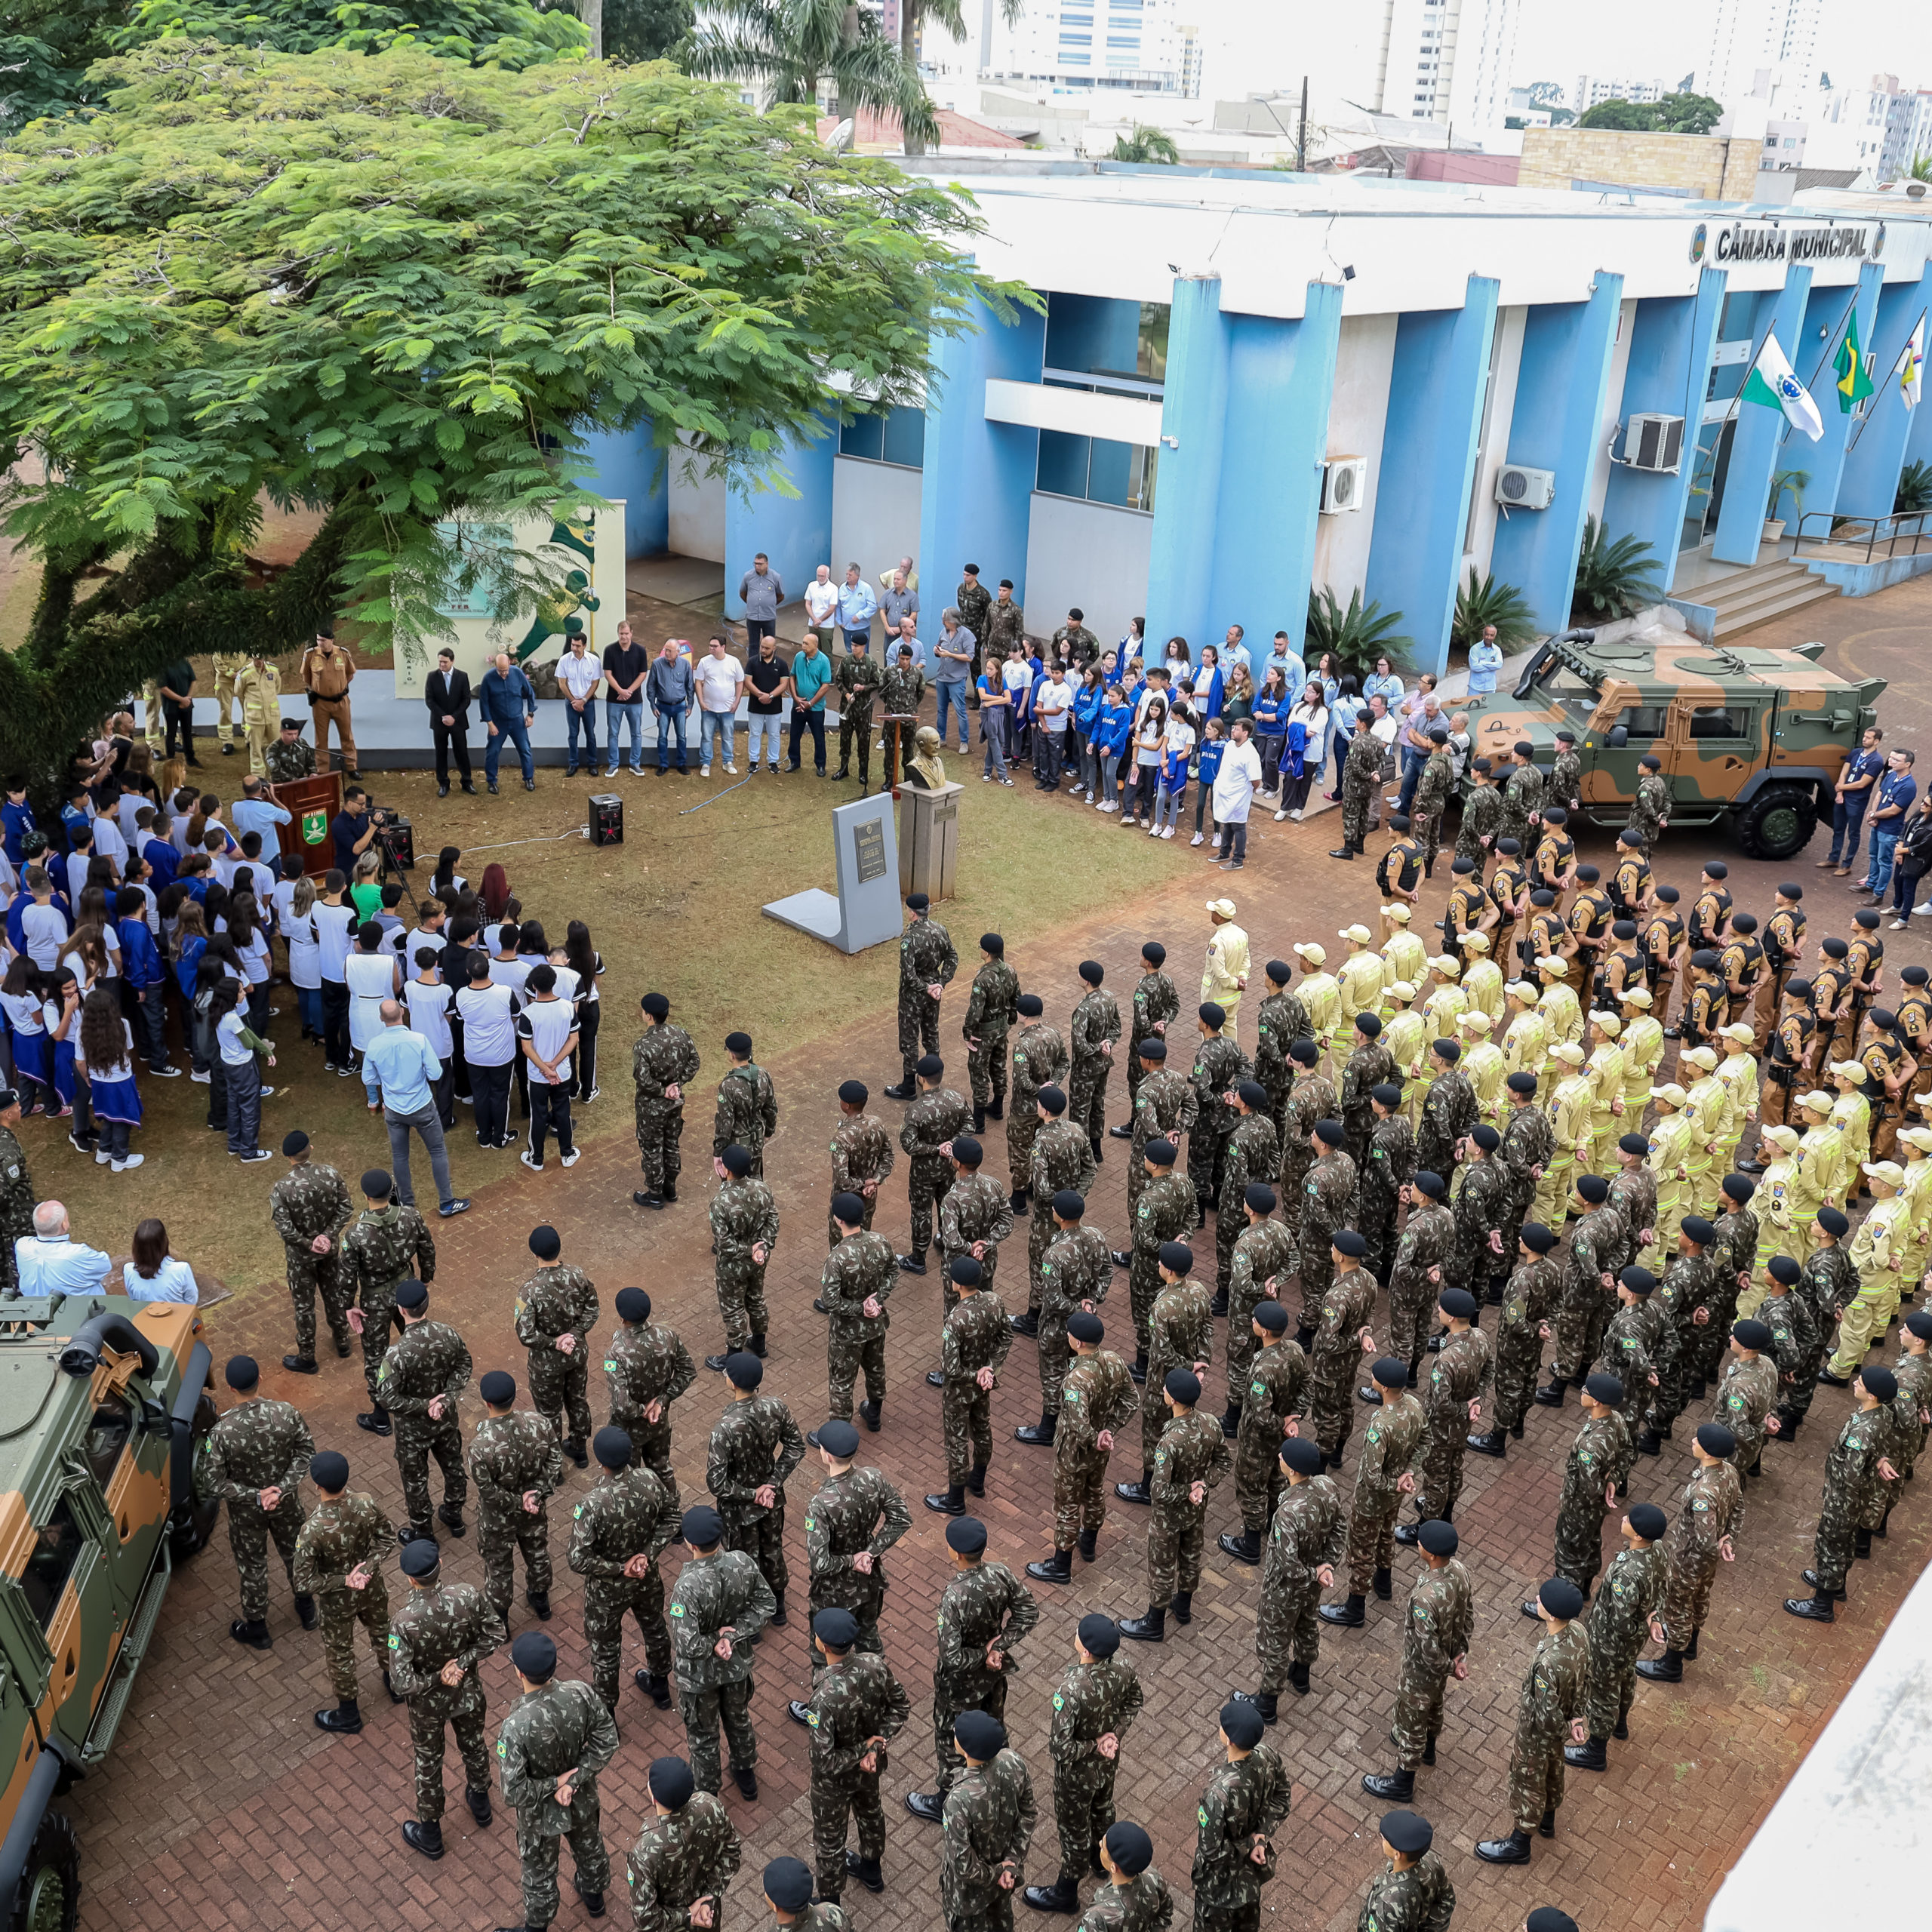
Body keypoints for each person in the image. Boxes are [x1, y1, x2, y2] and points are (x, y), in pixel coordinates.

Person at [906, 1515, 1040, 1823]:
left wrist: (983, 1652)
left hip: (959, 1688)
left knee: (951, 1741)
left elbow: (951, 1656)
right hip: (993, 1678)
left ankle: (946, 1800)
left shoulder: (954, 1597)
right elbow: (1028, 1612)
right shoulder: (1000, 1573)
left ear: (956, 1553)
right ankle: (1001, 1787)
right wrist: (1000, 1647)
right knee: (994, 1729)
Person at [496, 1630, 620, 1932]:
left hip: (540, 1816)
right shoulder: (580, 1693)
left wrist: (554, 1785)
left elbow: (513, 1792)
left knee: (539, 1872)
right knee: (590, 1848)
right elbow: (608, 1739)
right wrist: (575, 1779)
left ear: (519, 1672)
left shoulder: (515, 1726)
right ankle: (594, 1899)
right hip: (581, 1797)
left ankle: (536, 1927)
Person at [197, 1353, 316, 1649]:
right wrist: (281, 1489)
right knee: (296, 1554)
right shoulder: (286, 1413)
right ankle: (308, 1609)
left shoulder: (222, 1433)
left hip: (247, 1513)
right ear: (260, 1379)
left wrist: (255, 1496)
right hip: (286, 1504)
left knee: (252, 1566)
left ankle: (258, 1628)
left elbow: (211, 1482)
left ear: (231, 1388)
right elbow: (306, 1453)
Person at [1474, 1577, 1590, 1864]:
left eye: (1541, 1601)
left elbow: (1546, 1714)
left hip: (1537, 1732)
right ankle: (1547, 1821)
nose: (1536, 1601)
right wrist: (1575, 1719)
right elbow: (1584, 1679)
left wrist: (1563, 1727)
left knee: (1527, 1779)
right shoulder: (1579, 1633)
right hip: (1563, 1719)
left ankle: (1520, 1842)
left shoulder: (1547, 1662)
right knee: (1554, 1769)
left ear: (1551, 1614)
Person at [804, 1606, 912, 1903]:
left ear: (822, 1645)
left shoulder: (823, 1698)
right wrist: (875, 1748)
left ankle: (830, 1904)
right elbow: (901, 1706)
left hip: (834, 1784)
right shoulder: (874, 1664)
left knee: (829, 1842)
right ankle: (872, 1870)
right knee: (870, 1812)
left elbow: (823, 1760)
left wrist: (862, 1750)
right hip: (870, 1767)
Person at [668, 1503, 777, 1799]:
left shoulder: (686, 1588)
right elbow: (767, 1604)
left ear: (690, 1544)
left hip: (699, 1678)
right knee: (739, 1719)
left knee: (703, 1736)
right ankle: (745, 1774)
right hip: (736, 1666)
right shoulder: (741, 1562)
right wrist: (735, 1634)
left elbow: (688, 1644)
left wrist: (715, 1639)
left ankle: (709, 1795)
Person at [293, 1451, 396, 1735]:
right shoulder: (365, 1503)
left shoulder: (311, 1530)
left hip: (337, 1601)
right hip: (371, 1587)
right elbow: (387, 1538)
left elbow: (303, 1581)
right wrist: (367, 1569)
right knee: (384, 1632)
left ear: (317, 1486)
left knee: (340, 1652)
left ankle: (349, 1714)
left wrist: (344, 1580)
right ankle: (396, 1684)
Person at [468, 1369, 565, 1625]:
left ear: (487, 1403)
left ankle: (501, 1620)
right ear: (514, 1396)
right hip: (535, 1508)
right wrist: (537, 1495)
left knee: (499, 1568)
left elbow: (487, 1491)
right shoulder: (540, 1423)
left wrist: (515, 1502)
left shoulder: (480, 1446)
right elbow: (556, 1462)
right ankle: (541, 1601)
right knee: (538, 1554)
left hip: (498, 1519)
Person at [1191, 1700, 1290, 1932]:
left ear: (1229, 1739)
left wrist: (1249, 1844)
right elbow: (1282, 1797)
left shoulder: (1217, 1794)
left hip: (1219, 1886)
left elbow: (1212, 1850)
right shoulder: (1267, 1755)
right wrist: (1260, 1838)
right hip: (1252, 1873)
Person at [940, 1711, 1037, 1932]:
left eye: (957, 1734)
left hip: (968, 1900)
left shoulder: (958, 1801)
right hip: (1005, 1882)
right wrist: (1011, 1863)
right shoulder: (1014, 1762)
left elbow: (963, 1866)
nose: (954, 1733)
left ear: (965, 1750)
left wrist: (996, 1873)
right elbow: (1028, 1815)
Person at [632, 990, 700, 1209]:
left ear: (648, 1016)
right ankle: (670, 1188)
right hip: (675, 1104)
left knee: (652, 1148)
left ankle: (654, 1194)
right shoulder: (681, 1034)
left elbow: (643, 1080)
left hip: (651, 1109)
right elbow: (694, 1061)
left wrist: (663, 1091)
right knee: (671, 1144)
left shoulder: (643, 1045)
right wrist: (677, 1085)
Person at [516, 964, 580, 1173]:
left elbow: (526, 1047)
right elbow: (574, 1039)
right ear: (554, 983)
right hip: (562, 1073)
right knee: (563, 1111)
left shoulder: (528, 1013)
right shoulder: (567, 1007)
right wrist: (555, 1064)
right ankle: (567, 1153)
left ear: (534, 986)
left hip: (538, 1076)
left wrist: (545, 1068)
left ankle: (536, 1159)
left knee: (539, 1115)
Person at [1826, 723, 1885, 875]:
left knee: (1853, 833)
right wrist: (1839, 793)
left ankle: (1847, 865)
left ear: (1876, 741)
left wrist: (1841, 788)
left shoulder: (1876, 761)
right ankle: (1833, 858)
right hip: (1843, 797)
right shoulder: (1856, 753)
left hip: (1857, 801)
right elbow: (1844, 772)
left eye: (1868, 738)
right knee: (1838, 828)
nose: (1864, 739)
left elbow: (1862, 783)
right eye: (1864, 736)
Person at [480, 651, 539, 793]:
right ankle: (492, 781)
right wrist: (489, 723)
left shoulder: (518, 674)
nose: (503, 674)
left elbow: (530, 693)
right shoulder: (488, 678)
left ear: (510, 664)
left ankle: (529, 778)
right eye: (500, 671)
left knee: (525, 749)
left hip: (517, 720)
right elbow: (484, 702)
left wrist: (530, 714)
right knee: (493, 751)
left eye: (505, 670)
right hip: (498, 722)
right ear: (495, 667)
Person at [301, 629, 357, 775]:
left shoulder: (343, 654)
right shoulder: (311, 655)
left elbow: (350, 674)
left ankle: (351, 767)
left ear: (332, 640)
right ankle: (322, 769)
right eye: (319, 640)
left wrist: (340, 686)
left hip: (341, 701)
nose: (320, 643)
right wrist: (318, 689)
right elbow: (306, 677)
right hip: (321, 703)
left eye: (323, 640)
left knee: (347, 736)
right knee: (321, 739)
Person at [423, 647, 475, 796]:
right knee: (441, 753)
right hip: (439, 723)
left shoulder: (462, 676)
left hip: (458, 722)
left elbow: (466, 699)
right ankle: (443, 783)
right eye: (440, 662)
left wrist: (454, 717)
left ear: (452, 661)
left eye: (445, 662)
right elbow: (430, 700)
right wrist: (443, 716)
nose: (442, 665)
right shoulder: (432, 677)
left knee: (462, 753)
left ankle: (467, 782)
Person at [1212, 718, 1263, 870]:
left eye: (1237, 729)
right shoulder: (1229, 746)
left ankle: (1238, 859)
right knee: (1227, 822)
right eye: (1233, 728)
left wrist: (1245, 791)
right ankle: (1224, 852)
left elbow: (1256, 780)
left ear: (1245, 733)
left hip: (1240, 796)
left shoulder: (1250, 753)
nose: (1232, 730)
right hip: (1226, 793)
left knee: (1239, 826)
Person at [554, 629, 602, 777]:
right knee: (573, 734)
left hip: (588, 703)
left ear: (585, 646)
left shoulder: (594, 661)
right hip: (571, 704)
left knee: (590, 734)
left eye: (577, 646)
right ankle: (573, 764)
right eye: (572, 645)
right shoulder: (564, 660)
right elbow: (562, 683)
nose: (574, 648)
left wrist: (584, 700)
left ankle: (592, 764)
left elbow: (595, 682)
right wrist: (574, 701)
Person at [646, 638, 696, 776]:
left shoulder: (685, 665)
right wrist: (652, 705)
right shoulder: (657, 664)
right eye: (666, 649)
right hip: (662, 707)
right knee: (662, 736)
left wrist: (690, 705)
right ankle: (663, 764)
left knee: (681, 736)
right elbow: (651, 686)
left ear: (678, 652)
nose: (666, 653)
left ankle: (682, 764)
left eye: (670, 650)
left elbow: (690, 686)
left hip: (680, 706)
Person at [787, 632, 834, 776]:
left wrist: (811, 703)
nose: (803, 646)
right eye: (803, 642)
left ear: (815, 645)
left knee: (818, 737)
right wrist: (795, 697)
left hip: (816, 708)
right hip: (798, 705)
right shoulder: (798, 657)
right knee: (794, 734)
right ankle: (794, 761)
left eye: (806, 643)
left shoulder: (824, 661)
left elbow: (826, 685)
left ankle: (820, 765)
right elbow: (792, 676)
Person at [124, 1217, 198, 1303]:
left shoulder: (128, 1270)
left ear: (136, 1245)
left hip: (143, 1315)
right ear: (164, 1241)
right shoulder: (182, 1269)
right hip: (180, 1316)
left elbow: (134, 1300)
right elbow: (191, 1301)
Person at [934, 608, 976, 755]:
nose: (943, 622)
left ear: (952, 621)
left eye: (945, 620)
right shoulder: (943, 632)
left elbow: (970, 657)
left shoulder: (967, 635)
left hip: (957, 679)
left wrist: (950, 654)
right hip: (942, 677)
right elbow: (939, 647)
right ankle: (941, 737)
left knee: (960, 711)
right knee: (941, 710)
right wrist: (937, 651)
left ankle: (964, 741)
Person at [737, 552, 785, 650]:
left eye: (760, 564)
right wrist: (752, 603)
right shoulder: (748, 576)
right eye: (755, 563)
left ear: (767, 564)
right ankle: (753, 664)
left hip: (768, 617)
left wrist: (769, 604)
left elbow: (780, 595)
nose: (757, 566)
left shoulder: (775, 577)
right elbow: (743, 593)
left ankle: (770, 664)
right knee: (753, 644)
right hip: (753, 617)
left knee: (770, 644)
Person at [835, 564, 878, 654]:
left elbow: (873, 606)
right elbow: (838, 606)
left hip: (862, 628)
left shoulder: (866, 588)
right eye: (847, 574)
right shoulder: (842, 588)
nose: (847, 577)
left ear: (858, 575)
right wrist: (839, 621)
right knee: (850, 652)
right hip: (847, 628)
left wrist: (860, 615)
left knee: (863, 653)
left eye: (850, 575)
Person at [804, 565, 840, 654]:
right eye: (818, 575)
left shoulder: (833, 588)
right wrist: (814, 619)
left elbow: (831, 608)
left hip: (826, 625)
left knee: (826, 651)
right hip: (813, 623)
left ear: (828, 575)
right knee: (812, 649)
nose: (820, 578)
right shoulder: (811, 585)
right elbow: (808, 604)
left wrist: (819, 620)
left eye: (822, 576)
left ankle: (829, 669)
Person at [1466, 622, 1505, 695]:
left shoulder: (1497, 650)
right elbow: (1474, 667)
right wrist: (1492, 666)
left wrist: (1482, 663)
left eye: (1492, 635)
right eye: (1487, 634)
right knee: (1471, 706)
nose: (1488, 637)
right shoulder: (1475, 649)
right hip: (1475, 688)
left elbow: (1499, 665)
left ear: (1495, 636)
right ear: (1483, 634)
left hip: (1490, 688)